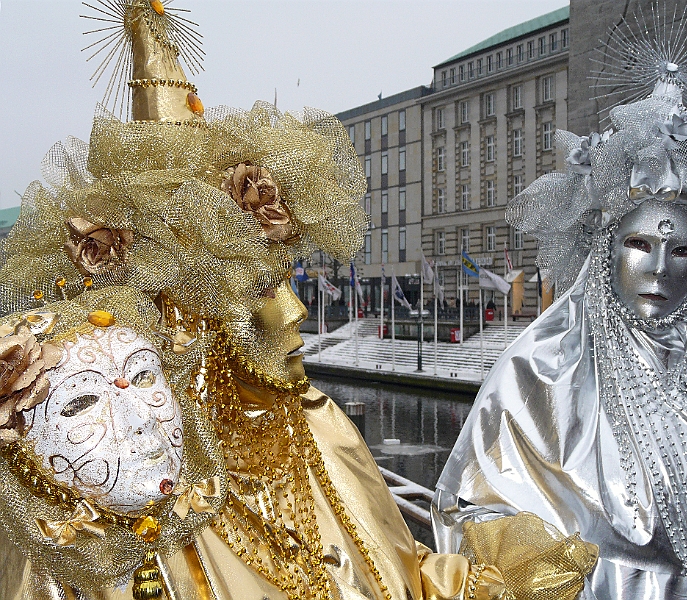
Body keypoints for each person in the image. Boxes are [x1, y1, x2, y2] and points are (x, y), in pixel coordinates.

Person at [0, 2, 594, 598]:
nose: (296, 311)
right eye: (258, 289)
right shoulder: (105, 519)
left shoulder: (317, 429)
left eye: (285, 277)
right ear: (184, 321)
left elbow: (399, 574)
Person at [432, 19, 687, 600]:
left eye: (681, 250)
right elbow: (474, 508)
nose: (658, 269)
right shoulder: (541, 372)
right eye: (638, 244)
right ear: (604, 250)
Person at [0, 287, 227, 599]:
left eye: (144, 376)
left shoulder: (210, 525)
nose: (143, 417)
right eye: (82, 402)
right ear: (21, 449)